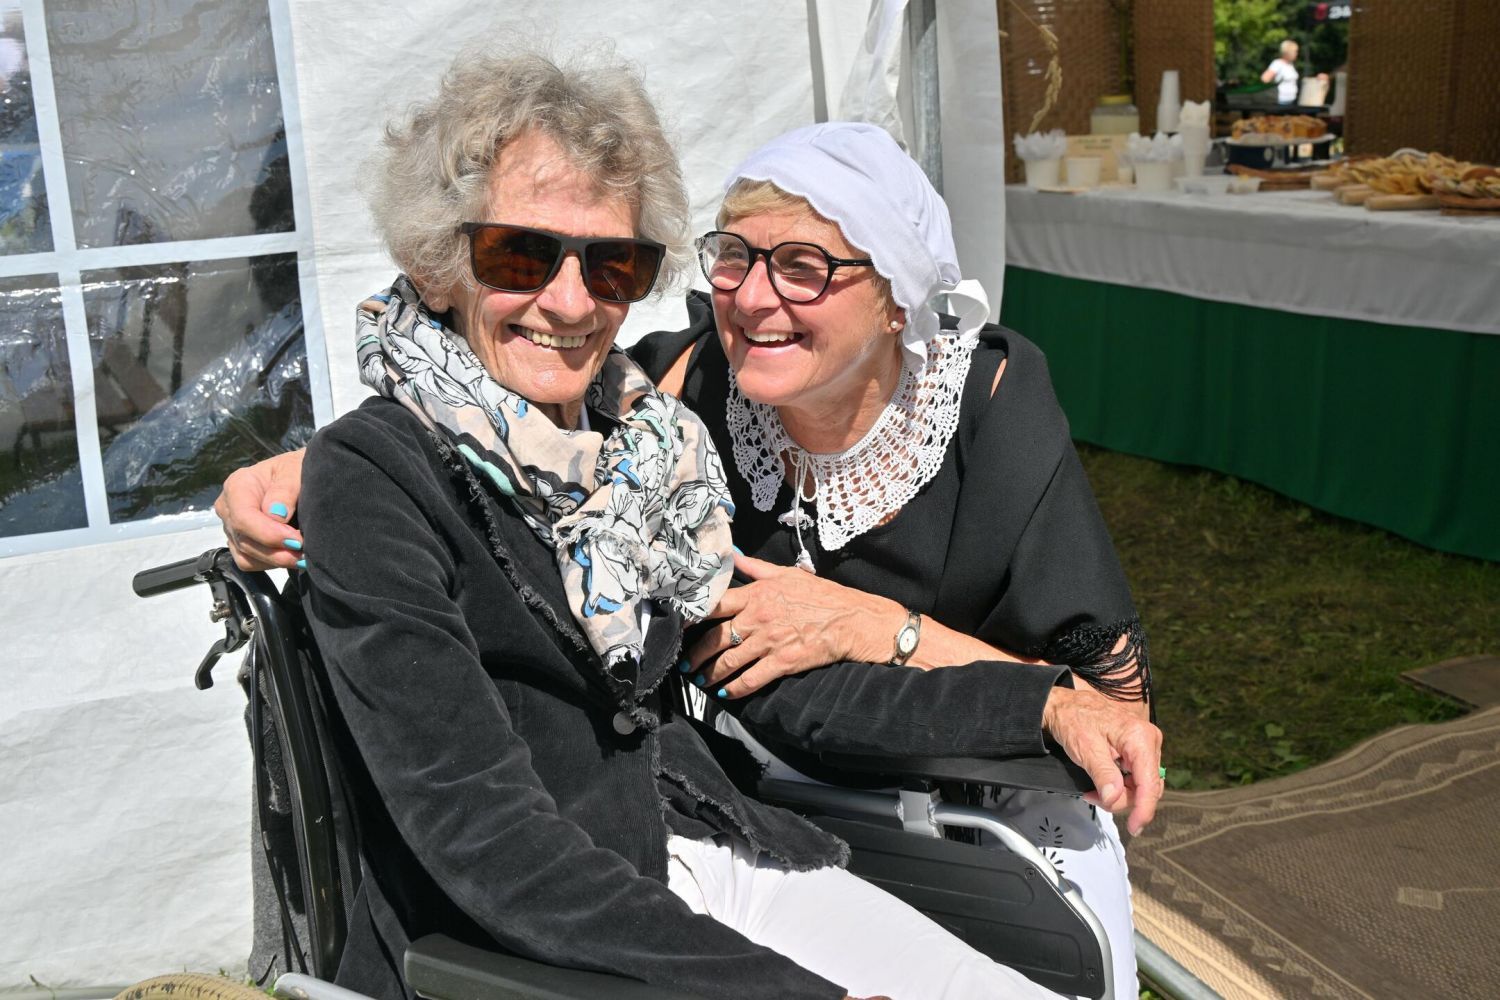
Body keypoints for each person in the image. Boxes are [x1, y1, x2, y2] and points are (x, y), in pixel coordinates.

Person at [283, 45, 1159, 1000]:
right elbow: (484, 837)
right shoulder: (378, 476)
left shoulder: (642, 447)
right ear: (438, 265)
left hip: (706, 845)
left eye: (611, 264)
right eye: (520, 255)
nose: (570, 302)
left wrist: (1041, 703)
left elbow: (782, 680)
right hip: (539, 934)